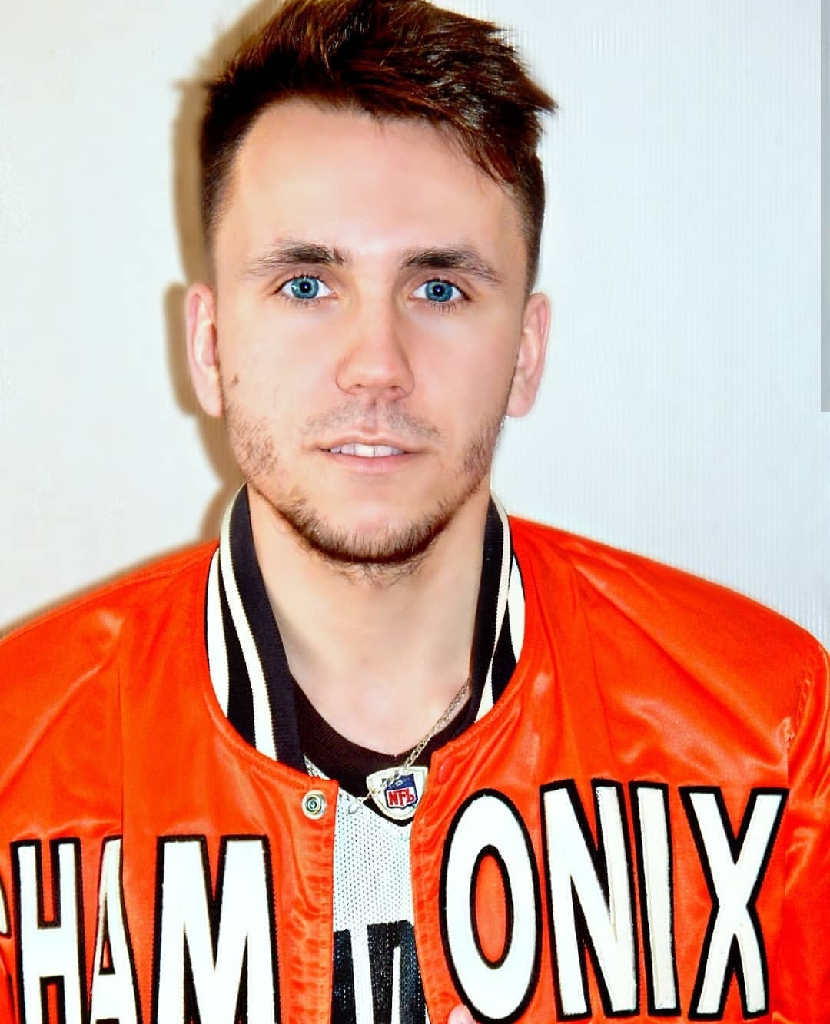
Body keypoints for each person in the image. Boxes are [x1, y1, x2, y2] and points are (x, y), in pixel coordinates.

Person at [0, 0, 826, 1021]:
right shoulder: (18, 762)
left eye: (438, 289)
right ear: (208, 348)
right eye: (306, 285)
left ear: (524, 353)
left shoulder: (769, 736)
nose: (375, 367)